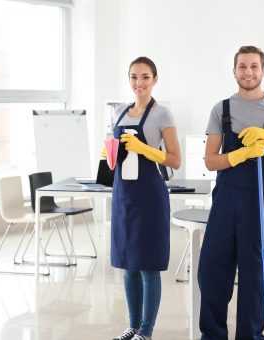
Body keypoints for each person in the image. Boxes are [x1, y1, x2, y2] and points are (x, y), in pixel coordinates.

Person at [198, 46, 264, 339]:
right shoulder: (221, 109)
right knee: (212, 271)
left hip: (260, 200)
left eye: (254, 66)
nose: (248, 72)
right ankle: (212, 335)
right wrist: (238, 156)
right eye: (242, 67)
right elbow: (209, 160)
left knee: (255, 277)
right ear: (234, 71)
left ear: (263, 71)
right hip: (226, 200)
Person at [110, 57, 181, 340]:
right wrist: (109, 155)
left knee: (148, 267)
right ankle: (133, 327)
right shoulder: (118, 111)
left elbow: (175, 160)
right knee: (128, 265)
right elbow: (115, 155)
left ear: (155, 79)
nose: (139, 83)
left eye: (145, 77)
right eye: (134, 77)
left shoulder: (162, 114)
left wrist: (144, 148)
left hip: (150, 197)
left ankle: (147, 332)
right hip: (123, 197)